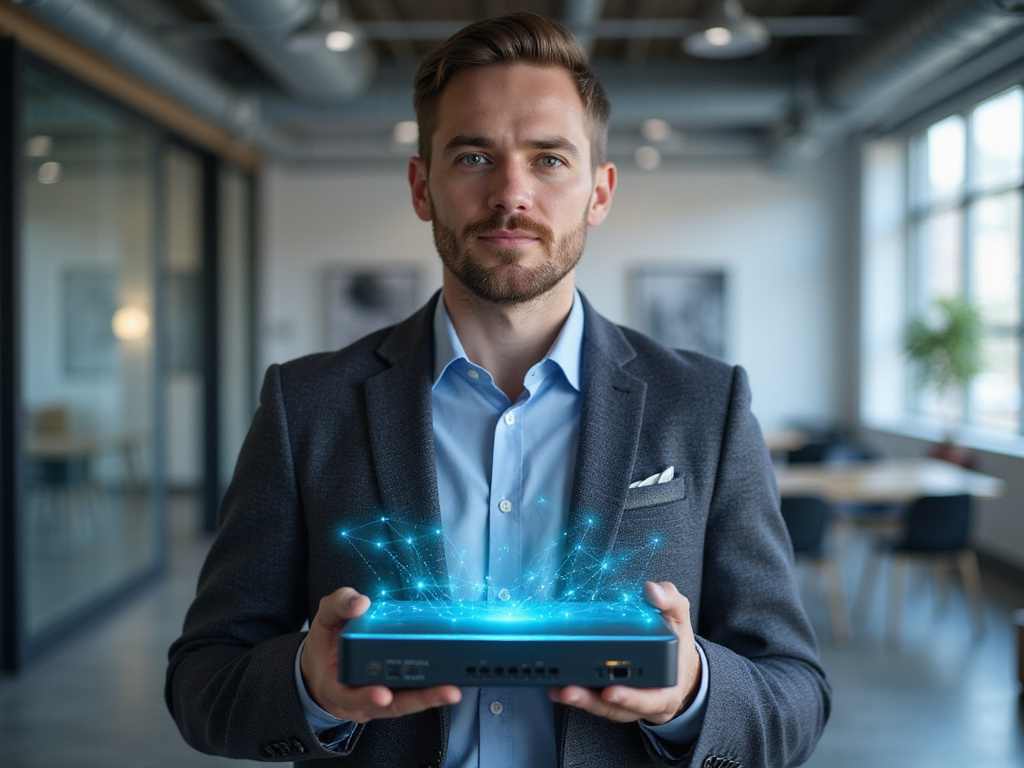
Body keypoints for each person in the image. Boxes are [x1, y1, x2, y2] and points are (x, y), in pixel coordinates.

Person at [166, 12, 830, 768]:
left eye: (549, 160)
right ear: (423, 187)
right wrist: (307, 685)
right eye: (474, 156)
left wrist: (692, 691)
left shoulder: (705, 407)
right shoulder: (306, 406)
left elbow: (795, 697)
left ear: (599, 192)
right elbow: (202, 682)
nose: (512, 192)